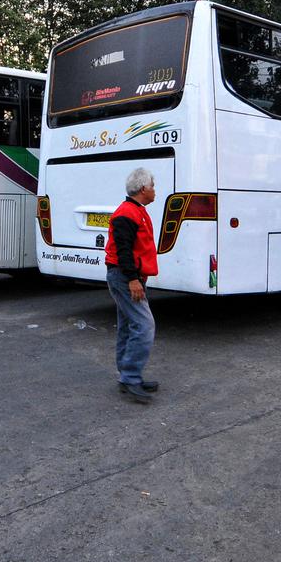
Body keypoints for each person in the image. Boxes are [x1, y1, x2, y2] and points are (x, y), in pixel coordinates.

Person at [104, 167, 160, 404]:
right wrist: (133, 280)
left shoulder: (136, 211)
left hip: (127, 276)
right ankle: (130, 376)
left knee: (128, 326)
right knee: (145, 325)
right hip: (125, 277)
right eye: (153, 185)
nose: (155, 190)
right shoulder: (128, 213)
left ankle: (127, 375)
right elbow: (124, 251)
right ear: (143, 189)